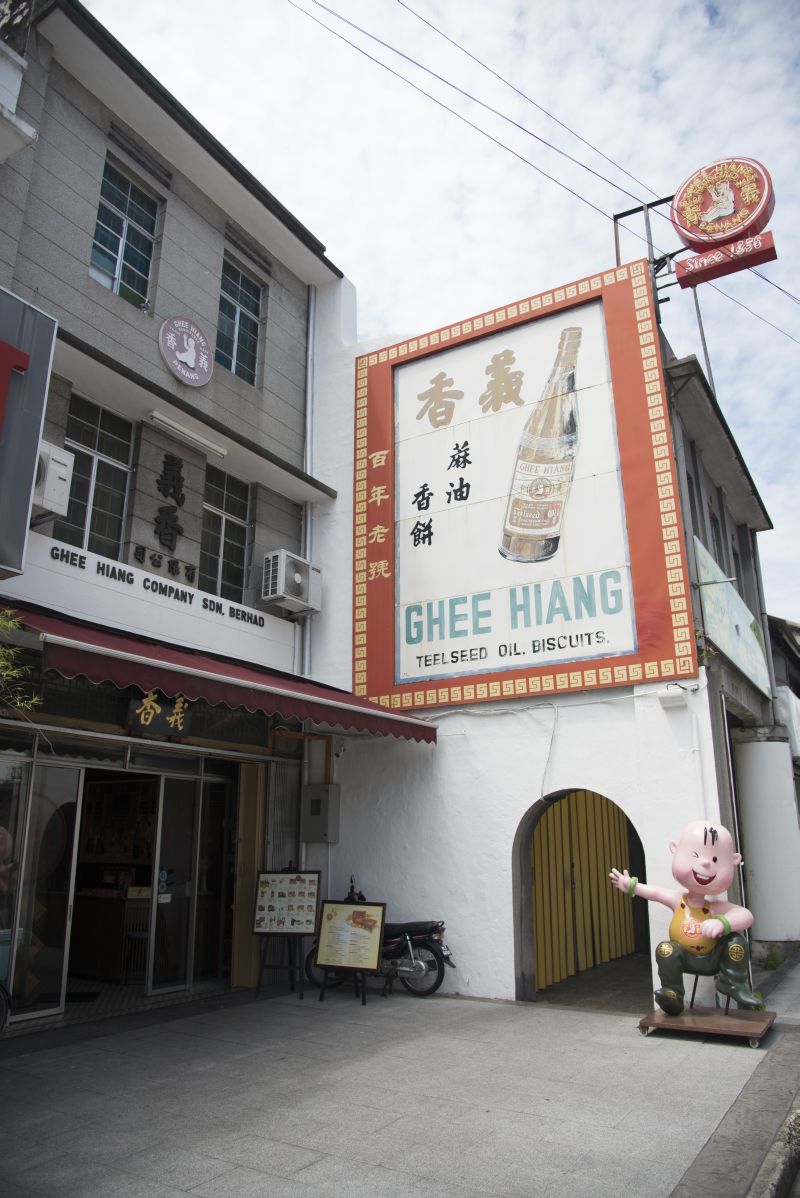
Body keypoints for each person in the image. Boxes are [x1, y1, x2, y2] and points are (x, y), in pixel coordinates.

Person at [610, 821, 760, 1015]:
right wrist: (631, 886)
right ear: (676, 849)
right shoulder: (678, 900)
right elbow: (655, 892)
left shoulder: (714, 907)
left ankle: (732, 982)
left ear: (733, 861)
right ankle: (673, 993)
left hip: (712, 959)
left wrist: (722, 923)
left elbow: (746, 915)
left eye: (715, 859)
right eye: (696, 856)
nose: (706, 863)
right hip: (684, 958)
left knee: (736, 942)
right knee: (665, 949)